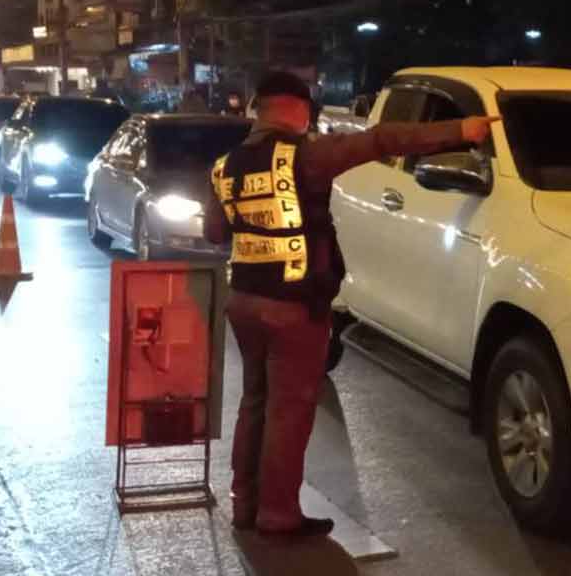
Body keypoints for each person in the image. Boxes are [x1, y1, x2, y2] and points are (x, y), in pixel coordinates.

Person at [204, 70, 497, 536]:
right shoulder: (305, 156)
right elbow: (380, 141)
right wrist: (461, 131)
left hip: (243, 301)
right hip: (293, 307)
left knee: (255, 402)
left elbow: (215, 234)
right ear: (298, 110)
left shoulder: (225, 166)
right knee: (288, 408)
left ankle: (246, 504)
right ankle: (278, 514)